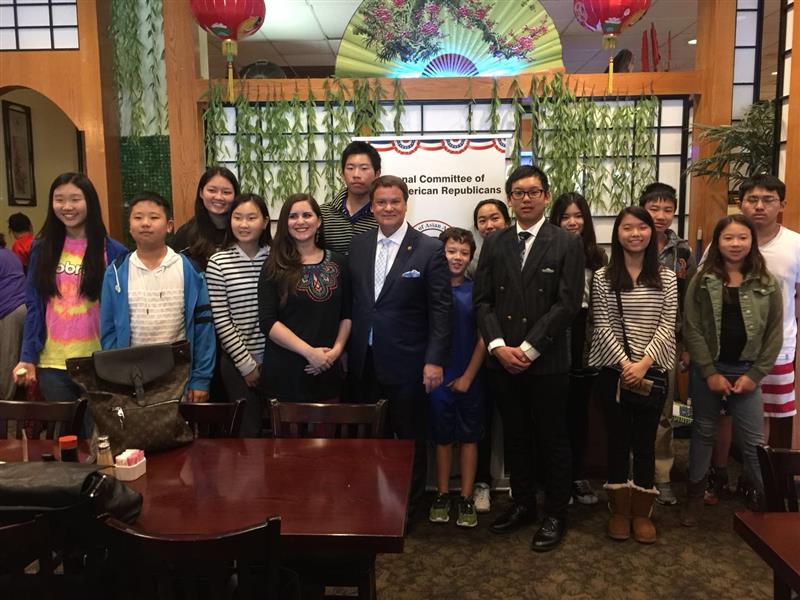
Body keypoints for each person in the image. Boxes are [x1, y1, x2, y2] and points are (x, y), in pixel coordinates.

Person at [474, 165, 584, 552]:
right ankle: (522, 503)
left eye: (533, 192)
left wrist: (529, 348)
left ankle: (555, 512)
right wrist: (497, 345)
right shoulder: (495, 242)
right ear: (509, 198)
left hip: (547, 360)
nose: (525, 199)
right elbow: (483, 300)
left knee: (552, 438)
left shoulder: (565, 242)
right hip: (503, 359)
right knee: (515, 436)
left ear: (546, 196)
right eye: (518, 193)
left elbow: (567, 304)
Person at [347, 175, 452, 517]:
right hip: (364, 362)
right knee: (370, 439)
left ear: (406, 204)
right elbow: (355, 302)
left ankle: (409, 509)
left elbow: (441, 310)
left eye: (395, 201)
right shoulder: (358, 245)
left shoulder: (429, 249)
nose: (388, 207)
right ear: (372, 206)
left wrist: (434, 360)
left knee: (409, 440)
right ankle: (373, 506)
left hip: (409, 364)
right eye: (381, 202)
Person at [681, 215, 782, 525]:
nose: (735, 244)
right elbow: (692, 327)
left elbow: (774, 333)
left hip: (748, 370)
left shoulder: (766, 282)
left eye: (742, 237)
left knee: (754, 442)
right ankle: (695, 497)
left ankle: (766, 502)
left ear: (752, 241)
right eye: (728, 238)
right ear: (718, 242)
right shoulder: (702, 279)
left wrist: (755, 375)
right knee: (703, 432)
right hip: (709, 369)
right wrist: (709, 371)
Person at [706, 174, 800, 506]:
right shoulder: (722, 242)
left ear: (781, 204)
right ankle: (718, 474)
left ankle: (756, 479)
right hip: (726, 350)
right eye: (752, 199)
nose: (760, 206)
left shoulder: (795, 244)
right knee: (723, 412)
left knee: (768, 415)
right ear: (740, 203)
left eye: (768, 199)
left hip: (777, 347)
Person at [588, 206, 677, 544]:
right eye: (627, 228)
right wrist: (626, 364)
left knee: (645, 443)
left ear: (651, 232)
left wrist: (642, 364)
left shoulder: (667, 277)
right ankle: (619, 510)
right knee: (616, 441)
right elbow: (602, 325)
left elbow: (667, 325)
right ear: (618, 234)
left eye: (642, 227)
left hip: (652, 372)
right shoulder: (603, 277)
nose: (635, 234)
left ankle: (642, 512)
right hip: (614, 372)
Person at [12, 173, 127, 408]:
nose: (67, 207)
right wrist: (27, 356)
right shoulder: (41, 248)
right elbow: (34, 306)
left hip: (98, 361)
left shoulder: (113, 250)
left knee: (99, 429)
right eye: (59, 200)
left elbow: (122, 311)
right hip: (52, 363)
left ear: (90, 202)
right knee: (64, 429)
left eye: (75, 199)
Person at [100, 192, 216, 402]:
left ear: (169, 225)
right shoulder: (115, 272)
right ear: (129, 226)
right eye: (138, 217)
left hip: (179, 377)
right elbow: (108, 330)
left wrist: (200, 379)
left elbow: (204, 327)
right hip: (132, 377)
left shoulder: (189, 269)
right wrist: (117, 375)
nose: (145, 223)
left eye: (154, 217)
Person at [258, 193, 351, 403]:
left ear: (319, 221)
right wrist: (309, 353)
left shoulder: (339, 263)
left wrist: (335, 352)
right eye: (293, 216)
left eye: (307, 215)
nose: (300, 221)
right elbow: (268, 322)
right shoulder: (273, 265)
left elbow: (346, 314)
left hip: (327, 368)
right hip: (285, 373)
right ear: (285, 223)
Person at [549, 191, 607, 506]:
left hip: (587, 333)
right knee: (553, 411)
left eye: (578, 216)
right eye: (565, 217)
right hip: (556, 331)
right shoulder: (547, 250)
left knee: (579, 411)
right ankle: (554, 479)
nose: (572, 222)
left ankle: (577, 475)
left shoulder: (597, 256)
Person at [639, 182, 695, 506]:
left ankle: (662, 475)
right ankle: (634, 473)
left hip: (669, 339)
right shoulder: (631, 241)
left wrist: (686, 345)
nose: (660, 215)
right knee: (633, 407)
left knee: (666, 411)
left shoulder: (682, 251)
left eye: (667, 210)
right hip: (634, 340)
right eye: (654, 208)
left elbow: (690, 300)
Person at [428, 227, 485, 528]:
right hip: (438, 377)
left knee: (469, 438)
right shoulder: (429, 291)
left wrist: (468, 377)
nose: (457, 257)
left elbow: (483, 338)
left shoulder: (476, 291)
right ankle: (442, 494)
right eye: (451, 251)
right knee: (442, 438)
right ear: (441, 253)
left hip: (470, 376)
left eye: (464, 252)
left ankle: (465, 496)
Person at [206, 193, 271, 436]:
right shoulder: (218, 262)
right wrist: (247, 365)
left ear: (265, 222)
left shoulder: (276, 257)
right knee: (248, 433)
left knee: (281, 429)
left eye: (251, 218)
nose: (244, 224)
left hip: (276, 360)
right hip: (237, 363)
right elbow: (222, 320)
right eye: (237, 217)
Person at [469, 198, 512, 513]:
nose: (489, 225)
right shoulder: (471, 262)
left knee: (516, 420)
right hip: (481, 351)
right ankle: (481, 482)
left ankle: (519, 480)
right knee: (481, 421)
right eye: (482, 220)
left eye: (494, 218)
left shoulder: (523, 253)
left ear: (507, 221)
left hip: (518, 351)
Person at [170, 166, 240, 270]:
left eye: (226, 192)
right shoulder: (186, 234)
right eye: (212, 190)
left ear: (235, 196)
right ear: (201, 193)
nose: (219, 197)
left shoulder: (243, 232)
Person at [320, 141, 380, 255]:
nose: (356, 174)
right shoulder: (323, 214)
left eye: (364, 168)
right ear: (342, 174)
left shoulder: (383, 215)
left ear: (377, 174)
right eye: (350, 168)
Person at [0, 235, 26, 400]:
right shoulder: (9, 254)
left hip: (9, 310)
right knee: (17, 360)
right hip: (24, 308)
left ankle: (6, 406)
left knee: (8, 361)